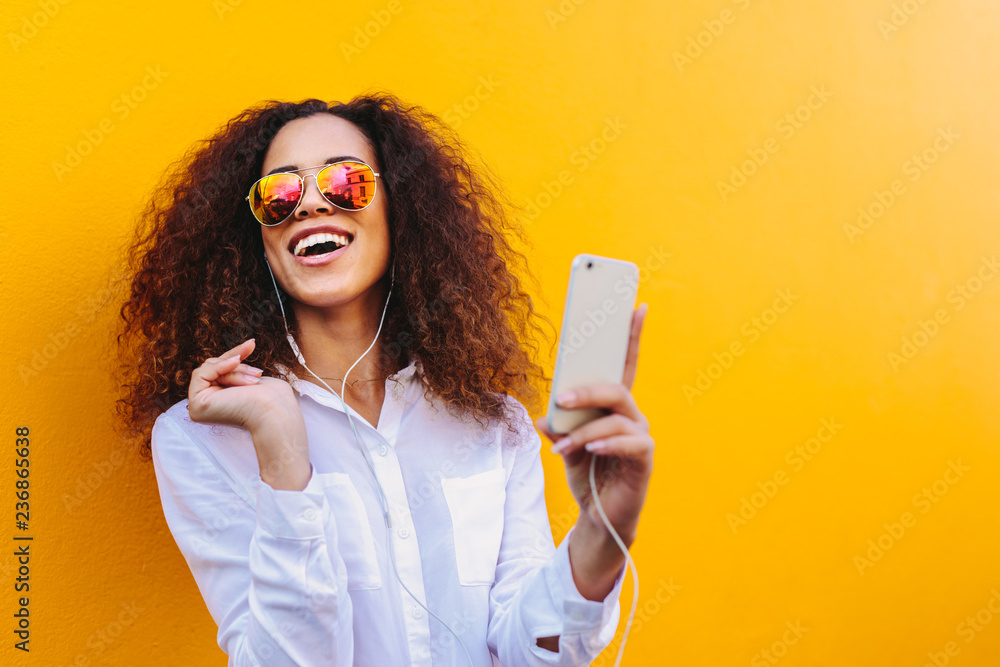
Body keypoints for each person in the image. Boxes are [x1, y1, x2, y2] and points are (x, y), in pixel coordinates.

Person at [115, 92, 654, 665]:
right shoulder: (201, 438)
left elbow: (534, 654)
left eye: (345, 182)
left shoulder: (495, 423)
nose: (309, 205)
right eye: (280, 194)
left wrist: (602, 532)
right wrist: (282, 458)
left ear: (403, 209)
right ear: (257, 237)